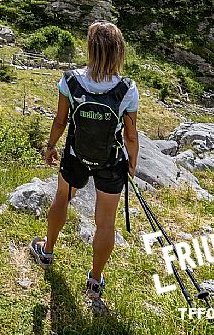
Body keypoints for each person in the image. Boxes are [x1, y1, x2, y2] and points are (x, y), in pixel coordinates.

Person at [30, 21, 139, 304]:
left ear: (90, 49)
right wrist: (132, 164)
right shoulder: (127, 88)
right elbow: (130, 134)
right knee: (105, 223)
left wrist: (51, 146)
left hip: (76, 155)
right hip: (110, 162)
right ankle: (94, 280)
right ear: (118, 52)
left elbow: (60, 120)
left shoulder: (71, 80)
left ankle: (47, 250)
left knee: (62, 198)